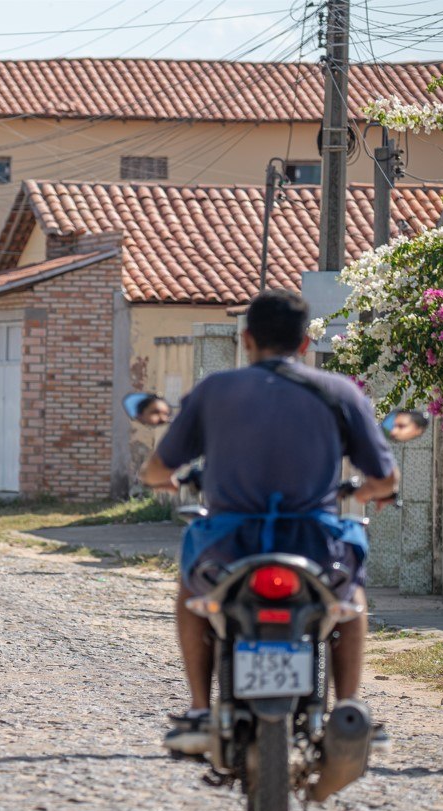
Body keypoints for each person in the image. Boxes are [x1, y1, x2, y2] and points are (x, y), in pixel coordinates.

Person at [139, 290, 399, 754]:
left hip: (229, 544)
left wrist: (173, 481)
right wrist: (361, 491)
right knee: (351, 599)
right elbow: (386, 479)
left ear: (246, 339)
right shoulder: (341, 392)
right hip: (315, 544)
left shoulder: (215, 390)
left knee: (190, 592)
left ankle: (200, 707)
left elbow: (155, 470)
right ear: (305, 345)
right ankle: (349, 707)